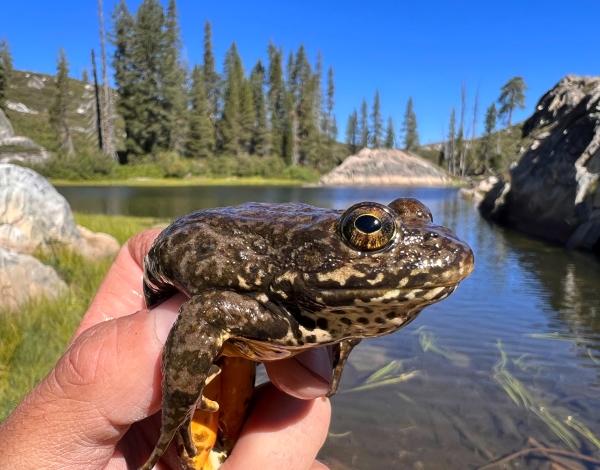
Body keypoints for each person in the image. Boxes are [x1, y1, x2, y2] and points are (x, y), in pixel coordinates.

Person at [0, 230, 332, 469]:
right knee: (302, 408)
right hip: (202, 304)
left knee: (304, 411)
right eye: (371, 231)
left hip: (237, 342)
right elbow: (205, 312)